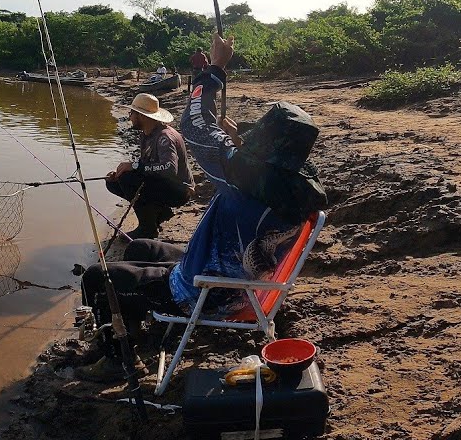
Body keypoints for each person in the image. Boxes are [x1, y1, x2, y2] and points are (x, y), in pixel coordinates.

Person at [77, 33, 327, 382]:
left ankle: (119, 357)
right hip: (241, 282)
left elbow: (193, 122)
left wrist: (216, 67)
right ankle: (134, 327)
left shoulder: (241, 180)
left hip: (208, 292)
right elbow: (265, 168)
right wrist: (239, 142)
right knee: (141, 247)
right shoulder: (294, 187)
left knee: (97, 276)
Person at [104, 93, 194, 240]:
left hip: (180, 190)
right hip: (164, 184)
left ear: (142, 116)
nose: (129, 117)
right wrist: (122, 172)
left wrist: (134, 167)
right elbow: (147, 164)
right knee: (114, 183)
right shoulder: (147, 134)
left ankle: (147, 229)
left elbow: (169, 169)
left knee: (128, 179)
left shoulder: (164, 137)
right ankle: (159, 212)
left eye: (132, 113)